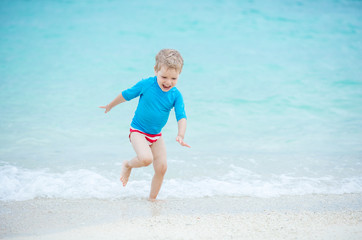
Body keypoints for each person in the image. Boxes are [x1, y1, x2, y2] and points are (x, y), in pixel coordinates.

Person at [99, 49, 190, 200]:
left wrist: (181, 134)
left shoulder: (175, 95)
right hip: (138, 131)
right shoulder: (146, 84)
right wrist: (110, 105)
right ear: (156, 70)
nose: (168, 82)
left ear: (179, 75)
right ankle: (127, 165)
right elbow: (126, 95)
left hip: (156, 135)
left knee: (162, 168)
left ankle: (152, 200)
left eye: (173, 78)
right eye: (164, 77)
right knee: (146, 159)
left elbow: (181, 116)